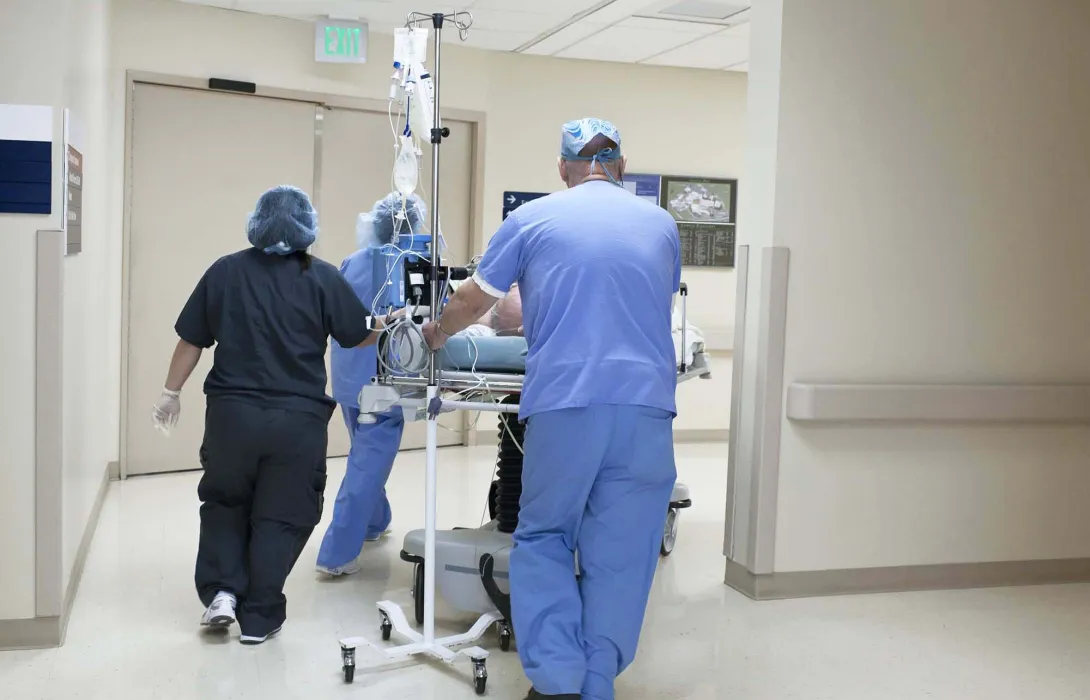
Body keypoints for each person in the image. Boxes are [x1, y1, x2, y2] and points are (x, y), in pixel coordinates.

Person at [422, 119, 681, 700]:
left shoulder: (533, 218)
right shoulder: (662, 224)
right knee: (623, 547)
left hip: (566, 403)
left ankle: (558, 680)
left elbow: (476, 299)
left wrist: (435, 332)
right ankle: (596, 681)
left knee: (544, 538)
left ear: (563, 169)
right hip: (645, 407)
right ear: (621, 165)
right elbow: (648, 303)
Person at [151, 185, 391, 645]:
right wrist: (392, 321)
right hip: (295, 421)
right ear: (307, 228)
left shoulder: (224, 271)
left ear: (256, 222)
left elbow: (191, 340)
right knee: (282, 513)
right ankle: (259, 618)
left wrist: (170, 392)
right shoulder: (322, 277)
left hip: (232, 417)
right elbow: (357, 333)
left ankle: (222, 591)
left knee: (225, 502)